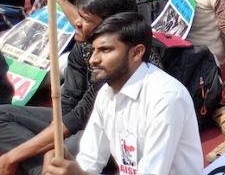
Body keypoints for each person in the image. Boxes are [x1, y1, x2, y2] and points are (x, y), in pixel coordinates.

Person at [42, 13, 203, 175]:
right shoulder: (106, 93)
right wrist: (69, 167)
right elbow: (90, 162)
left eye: (105, 50)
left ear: (136, 53)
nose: (93, 60)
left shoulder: (166, 98)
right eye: (93, 50)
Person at [0, 0, 137, 175]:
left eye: (86, 20)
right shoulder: (82, 48)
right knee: (4, 116)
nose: (76, 23)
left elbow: (78, 116)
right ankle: (44, 168)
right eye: (79, 16)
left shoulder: (123, 59)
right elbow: (67, 104)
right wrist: (48, 146)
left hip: (111, 129)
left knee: (67, 148)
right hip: (76, 122)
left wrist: (13, 156)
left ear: (113, 24)